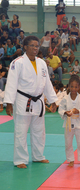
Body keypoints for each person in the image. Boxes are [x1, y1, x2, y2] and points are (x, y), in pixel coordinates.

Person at [4, 36, 58, 169]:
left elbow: (47, 84)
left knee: (39, 131)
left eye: (37, 45)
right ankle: (20, 159)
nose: (35, 48)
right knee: (21, 131)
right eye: (32, 45)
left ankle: (38, 156)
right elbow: (11, 83)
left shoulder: (42, 63)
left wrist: (53, 100)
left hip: (38, 101)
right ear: (25, 47)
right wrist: (9, 103)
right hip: (23, 101)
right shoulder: (18, 63)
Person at [58, 75, 80, 167]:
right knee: (68, 143)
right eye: (71, 86)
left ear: (79, 87)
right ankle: (70, 159)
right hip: (68, 123)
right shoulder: (65, 99)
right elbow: (60, 109)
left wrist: (79, 111)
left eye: (76, 87)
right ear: (68, 87)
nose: (73, 89)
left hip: (78, 124)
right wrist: (65, 112)